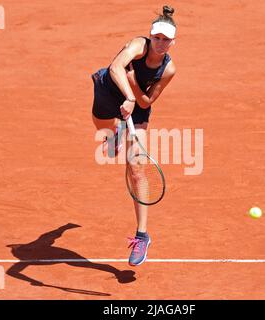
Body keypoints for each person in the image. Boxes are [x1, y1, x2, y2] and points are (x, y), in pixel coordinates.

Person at [91, 5, 177, 266]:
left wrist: (135, 88)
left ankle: (142, 236)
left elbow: (146, 102)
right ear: (150, 37)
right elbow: (116, 66)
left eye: (166, 40)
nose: (160, 44)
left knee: (136, 167)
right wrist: (128, 95)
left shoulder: (169, 70)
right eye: (157, 38)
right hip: (108, 92)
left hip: (135, 108)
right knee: (101, 126)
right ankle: (114, 134)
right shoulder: (137, 46)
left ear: (174, 41)